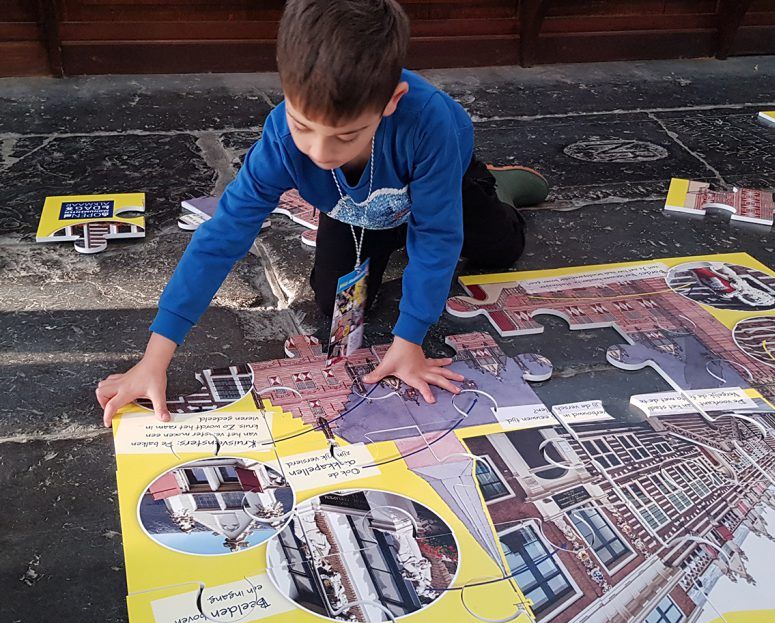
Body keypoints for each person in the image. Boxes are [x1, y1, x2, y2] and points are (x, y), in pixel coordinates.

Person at [96, 0, 548, 425]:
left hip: (444, 179)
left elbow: (436, 238)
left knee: (498, 249)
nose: (319, 152)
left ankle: (499, 186)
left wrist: (408, 341)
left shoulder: (428, 123)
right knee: (335, 299)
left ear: (391, 100)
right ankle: (389, 229)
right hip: (358, 208)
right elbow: (222, 236)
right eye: (302, 127)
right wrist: (155, 358)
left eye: (346, 136)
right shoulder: (281, 141)